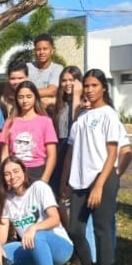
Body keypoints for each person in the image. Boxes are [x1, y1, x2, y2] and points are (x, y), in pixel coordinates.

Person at [60, 69, 124, 265]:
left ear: (103, 88)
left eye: (94, 85)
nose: (89, 90)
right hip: (79, 182)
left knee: (101, 230)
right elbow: (70, 153)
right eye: (86, 85)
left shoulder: (109, 115)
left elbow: (112, 154)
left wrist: (99, 185)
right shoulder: (81, 118)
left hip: (102, 180)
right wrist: (67, 182)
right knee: (75, 229)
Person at [0, 157, 73, 265]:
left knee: (37, 236)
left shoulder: (39, 187)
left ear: (24, 171)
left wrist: (33, 228)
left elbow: (55, 219)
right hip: (32, 247)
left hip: (60, 247)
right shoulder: (7, 199)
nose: (12, 176)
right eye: (7, 174)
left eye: (16, 171)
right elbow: (2, 229)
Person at [0, 80, 58, 183]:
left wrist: (44, 179)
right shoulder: (10, 122)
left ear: (35, 97)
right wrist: (6, 175)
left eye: (28, 96)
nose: (24, 101)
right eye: (21, 97)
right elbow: (5, 153)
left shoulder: (45, 121)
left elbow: (52, 155)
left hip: (37, 171)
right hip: (15, 172)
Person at [50, 66, 83, 195]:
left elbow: (76, 124)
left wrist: (76, 96)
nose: (67, 83)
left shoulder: (84, 102)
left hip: (74, 147)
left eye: (71, 79)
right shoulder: (60, 103)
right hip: (60, 146)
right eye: (64, 80)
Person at [27, 33, 64, 107]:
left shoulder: (57, 68)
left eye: (45, 49)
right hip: (28, 106)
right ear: (34, 51)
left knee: (49, 101)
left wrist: (27, 95)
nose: (41, 52)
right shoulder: (27, 67)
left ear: (52, 50)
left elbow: (52, 91)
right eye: (38, 49)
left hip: (48, 110)